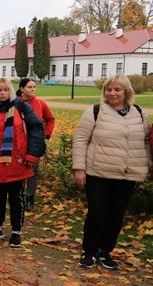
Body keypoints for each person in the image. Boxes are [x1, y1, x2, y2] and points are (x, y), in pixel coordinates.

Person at [73, 74, 151, 270]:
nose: (112, 93)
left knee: (116, 215)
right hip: (99, 171)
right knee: (97, 213)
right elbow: (81, 140)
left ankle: (105, 251)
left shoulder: (140, 113)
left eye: (117, 89)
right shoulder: (95, 111)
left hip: (127, 174)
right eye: (109, 89)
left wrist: (148, 164)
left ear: (127, 92)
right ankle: (89, 251)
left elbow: (145, 142)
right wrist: (79, 168)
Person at [0, 78, 45, 248]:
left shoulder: (21, 107)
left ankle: (16, 232)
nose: (2, 93)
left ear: (10, 91)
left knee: (15, 198)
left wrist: (33, 154)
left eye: (5, 90)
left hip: (17, 162)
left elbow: (36, 129)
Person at [16, 78, 55, 211]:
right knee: (18, 169)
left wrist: (46, 134)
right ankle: (17, 196)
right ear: (22, 89)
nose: (32, 89)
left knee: (33, 171)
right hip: (18, 143)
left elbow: (50, 119)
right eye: (29, 87)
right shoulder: (15, 103)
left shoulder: (40, 103)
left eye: (34, 87)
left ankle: (30, 198)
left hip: (35, 143)